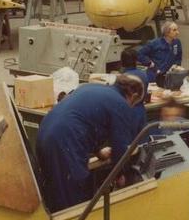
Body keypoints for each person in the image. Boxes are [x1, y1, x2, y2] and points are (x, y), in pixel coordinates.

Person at [35, 73, 147, 209]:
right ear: (133, 96)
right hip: (65, 141)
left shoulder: (91, 87)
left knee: (55, 192)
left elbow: (86, 122)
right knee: (73, 200)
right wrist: (120, 175)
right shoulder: (120, 103)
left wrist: (98, 152)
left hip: (44, 133)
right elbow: (120, 146)